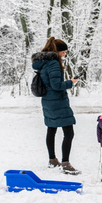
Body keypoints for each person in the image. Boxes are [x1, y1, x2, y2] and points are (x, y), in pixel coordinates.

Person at [31, 37, 80, 174]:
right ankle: (65, 163)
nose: (64, 54)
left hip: (48, 100)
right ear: (56, 51)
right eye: (63, 52)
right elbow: (57, 85)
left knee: (51, 129)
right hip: (58, 102)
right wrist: (71, 82)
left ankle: (52, 160)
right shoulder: (53, 64)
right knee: (69, 132)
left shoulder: (43, 63)